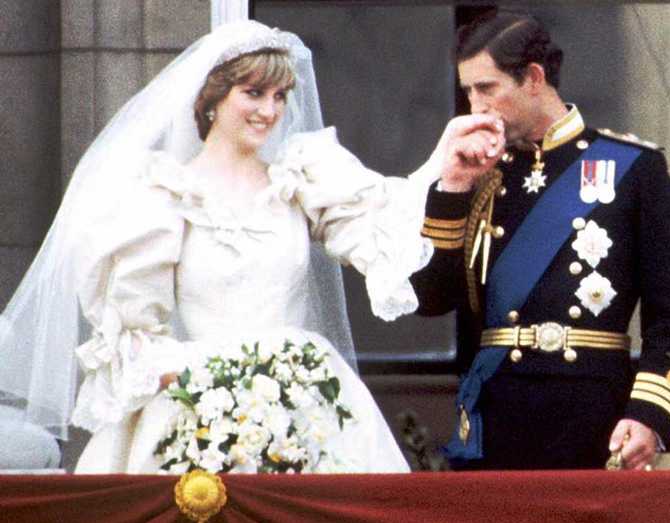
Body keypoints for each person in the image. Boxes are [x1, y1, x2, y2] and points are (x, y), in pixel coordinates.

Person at [0, 20, 437, 473]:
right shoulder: (163, 199)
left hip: (306, 403)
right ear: (212, 100)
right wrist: (212, 390)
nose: (269, 111)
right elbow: (135, 332)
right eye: (253, 93)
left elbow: (385, 226)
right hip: (197, 411)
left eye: (280, 96)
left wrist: (445, 166)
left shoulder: (301, 180)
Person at [411, 12, 670, 470]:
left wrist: (649, 414)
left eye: (487, 89)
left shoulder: (634, 168)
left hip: (594, 416)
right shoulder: (476, 173)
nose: (474, 107)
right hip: (497, 416)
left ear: (534, 78)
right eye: (468, 92)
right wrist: (453, 188)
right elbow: (430, 298)